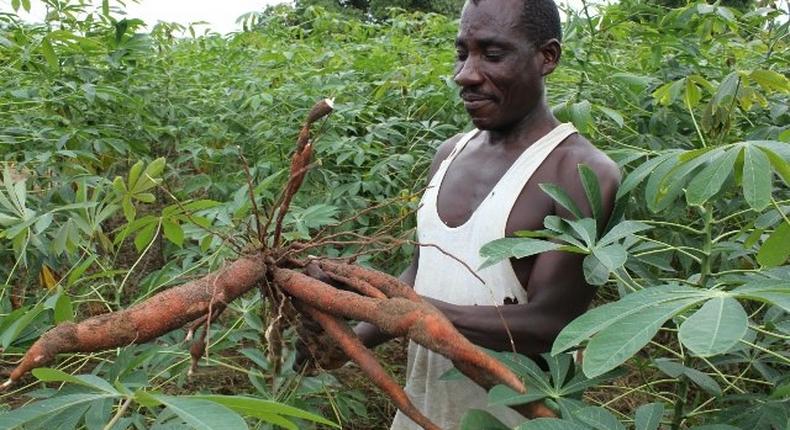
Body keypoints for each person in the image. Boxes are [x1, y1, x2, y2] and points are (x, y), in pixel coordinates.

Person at [303, 0, 620, 428]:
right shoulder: (449, 153)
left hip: (514, 418)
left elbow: (551, 322)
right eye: (462, 53)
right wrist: (352, 339)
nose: (465, 75)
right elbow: (421, 274)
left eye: (492, 54)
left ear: (547, 57)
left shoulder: (581, 172)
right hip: (422, 411)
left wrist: (402, 311)